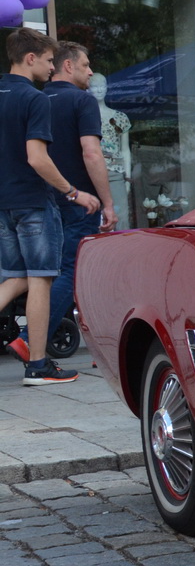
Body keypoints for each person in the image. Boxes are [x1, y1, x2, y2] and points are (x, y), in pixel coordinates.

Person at [0, 30, 100, 384]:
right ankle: (38, 365)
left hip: (3, 202)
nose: (50, 68)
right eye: (46, 60)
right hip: (32, 202)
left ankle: (38, 361)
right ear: (30, 58)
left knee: (15, 278)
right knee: (41, 278)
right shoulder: (34, 98)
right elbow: (37, 158)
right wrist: (73, 192)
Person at [39, 42, 116, 351]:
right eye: (85, 65)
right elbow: (91, 153)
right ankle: (31, 341)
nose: (91, 71)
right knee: (71, 269)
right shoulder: (82, 101)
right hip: (79, 200)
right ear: (68, 66)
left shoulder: (35, 99)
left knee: (42, 273)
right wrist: (107, 203)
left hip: (40, 200)